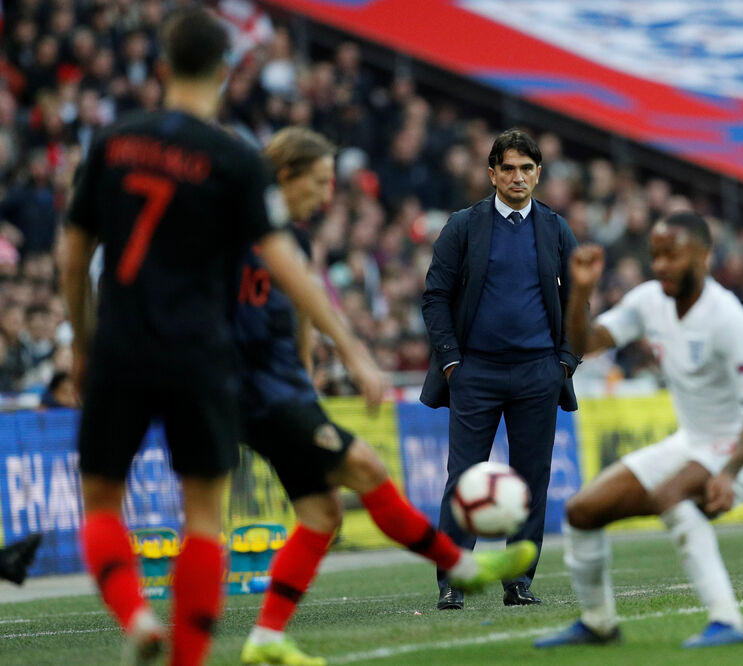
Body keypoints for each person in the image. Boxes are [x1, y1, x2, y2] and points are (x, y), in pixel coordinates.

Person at [58, 8, 452, 665]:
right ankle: (188, 658)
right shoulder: (235, 160)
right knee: (204, 521)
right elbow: (288, 264)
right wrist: (351, 348)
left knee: (100, 503)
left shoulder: (114, 142)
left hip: (122, 347)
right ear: (226, 71)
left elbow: (73, 259)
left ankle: (134, 616)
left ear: (160, 67)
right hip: (201, 357)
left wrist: (80, 340)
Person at [237, 127, 536, 666]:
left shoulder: (295, 239)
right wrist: (353, 355)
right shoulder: (237, 231)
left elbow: (300, 313)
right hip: (235, 381)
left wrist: (305, 378)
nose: (327, 196)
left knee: (323, 513)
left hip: (277, 384)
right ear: (286, 177)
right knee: (363, 468)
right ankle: (458, 567)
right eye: (321, 182)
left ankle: (266, 638)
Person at [534, 212, 743, 649]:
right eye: (656, 256)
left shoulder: (727, 317)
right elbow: (584, 343)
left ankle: (728, 620)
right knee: (582, 511)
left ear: (702, 255)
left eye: (673, 254)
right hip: (694, 443)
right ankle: (598, 623)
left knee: (672, 495)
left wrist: (727, 473)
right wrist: (580, 293)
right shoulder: (649, 300)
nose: (662, 265)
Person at [421, 128, 579, 610]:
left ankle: (519, 581)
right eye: (507, 168)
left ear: (538, 174)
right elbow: (435, 296)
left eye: (526, 169)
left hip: (538, 373)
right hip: (475, 372)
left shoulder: (555, 228)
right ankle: (453, 578)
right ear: (491, 173)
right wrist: (451, 361)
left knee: (533, 479)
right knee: (463, 475)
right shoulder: (464, 225)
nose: (517, 177)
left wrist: (565, 364)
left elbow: (579, 300)